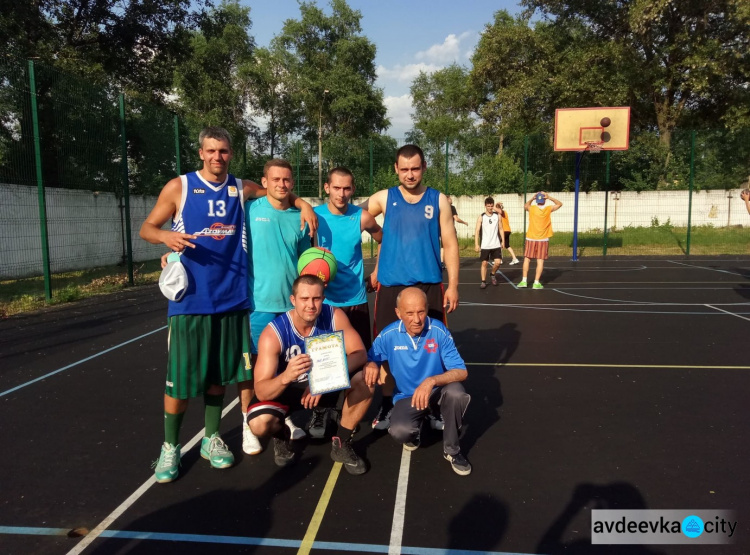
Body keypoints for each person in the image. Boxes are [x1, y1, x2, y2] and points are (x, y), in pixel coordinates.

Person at [139, 127, 286, 482]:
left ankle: (211, 437)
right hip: (191, 301)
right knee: (180, 380)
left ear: (230, 154)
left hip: (233, 299)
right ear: (201, 153)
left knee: (221, 376)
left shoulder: (240, 187)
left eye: (223, 151)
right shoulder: (181, 187)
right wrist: (166, 237)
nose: (217, 157)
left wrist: (303, 207)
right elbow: (147, 227)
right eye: (211, 151)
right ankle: (170, 447)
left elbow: (277, 191)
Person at [364, 144, 460, 431]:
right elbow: (348, 218)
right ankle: (387, 402)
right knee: (384, 350)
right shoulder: (383, 198)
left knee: (433, 350)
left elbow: (451, 243)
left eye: (415, 168)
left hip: (428, 286)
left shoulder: (438, 199)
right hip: (391, 287)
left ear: (424, 167)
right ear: (395, 168)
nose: (409, 174)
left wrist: (453, 285)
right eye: (404, 169)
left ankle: (431, 405)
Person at [248, 275, 373, 475]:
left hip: (325, 384)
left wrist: (322, 381)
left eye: (316, 299)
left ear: (323, 299)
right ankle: (281, 434)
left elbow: (359, 353)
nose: (311, 305)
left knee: (366, 380)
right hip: (288, 389)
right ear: (293, 300)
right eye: (304, 299)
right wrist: (286, 376)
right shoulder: (274, 333)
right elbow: (261, 390)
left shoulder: (334, 316)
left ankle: (341, 443)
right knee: (259, 423)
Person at [240, 159, 313, 455]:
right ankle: (247, 421)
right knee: (249, 367)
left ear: (292, 183)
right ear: (265, 182)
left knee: (283, 364)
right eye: (276, 179)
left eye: (287, 180)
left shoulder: (300, 218)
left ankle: (285, 414)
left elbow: (304, 262)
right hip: (255, 306)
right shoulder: (248, 210)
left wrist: (303, 204)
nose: (282, 185)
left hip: (288, 307)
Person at [363, 287, 471, 476]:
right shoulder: (389, 335)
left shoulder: (438, 330)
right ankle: (418, 424)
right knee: (400, 431)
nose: (416, 319)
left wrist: (431, 381)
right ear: (398, 313)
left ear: (427, 309)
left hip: (436, 391)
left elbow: (461, 371)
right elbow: (372, 356)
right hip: (407, 396)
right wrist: (371, 364)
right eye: (409, 313)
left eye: (421, 312)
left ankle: (452, 450)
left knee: (456, 393)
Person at [311, 167, 382, 437]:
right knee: (324, 359)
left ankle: (347, 414)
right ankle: (322, 410)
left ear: (352, 190)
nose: (341, 194)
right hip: (326, 302)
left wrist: (377, 270)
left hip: (355, 300)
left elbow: (382, 238)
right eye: (336, 188)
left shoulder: (362, 217)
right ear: (327, 188)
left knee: (358, 360)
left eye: (347, 188)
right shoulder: (315, 217)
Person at [518, 191, 563, 290]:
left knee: (527, 259)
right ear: (544, 200)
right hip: (543, 239)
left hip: (531, 238)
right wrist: (550, 197)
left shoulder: (532, 208)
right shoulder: (548, 209)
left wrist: (531, 198)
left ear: (537, 200)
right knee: (540, 261)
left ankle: (524, 281)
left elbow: (525, 206)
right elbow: (560, 204)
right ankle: (536, 283)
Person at [474, 196, 504, 289]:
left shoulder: (497, 216)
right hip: (485, 245)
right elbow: (477, 231)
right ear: (485, 206)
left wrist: (502, 240)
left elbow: (501, 228)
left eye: (491, 206)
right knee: (484, 263)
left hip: (496, 244)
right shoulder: (481, 217)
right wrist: (476, 244)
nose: (490, 208)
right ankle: (483, 281)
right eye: (488, 206)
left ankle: (492, 274)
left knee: (498, 263)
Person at [441, 195, 468, 268]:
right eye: (450, 198)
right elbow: (456, 218)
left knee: (443, 247)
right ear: (447, 199)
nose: (451, 199)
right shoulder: (451, 207)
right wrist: (464, 222)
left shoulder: (440, 207)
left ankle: (443, 263)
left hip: (442, 229)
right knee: (454, 246)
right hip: (450, 229)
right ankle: (453, 262)